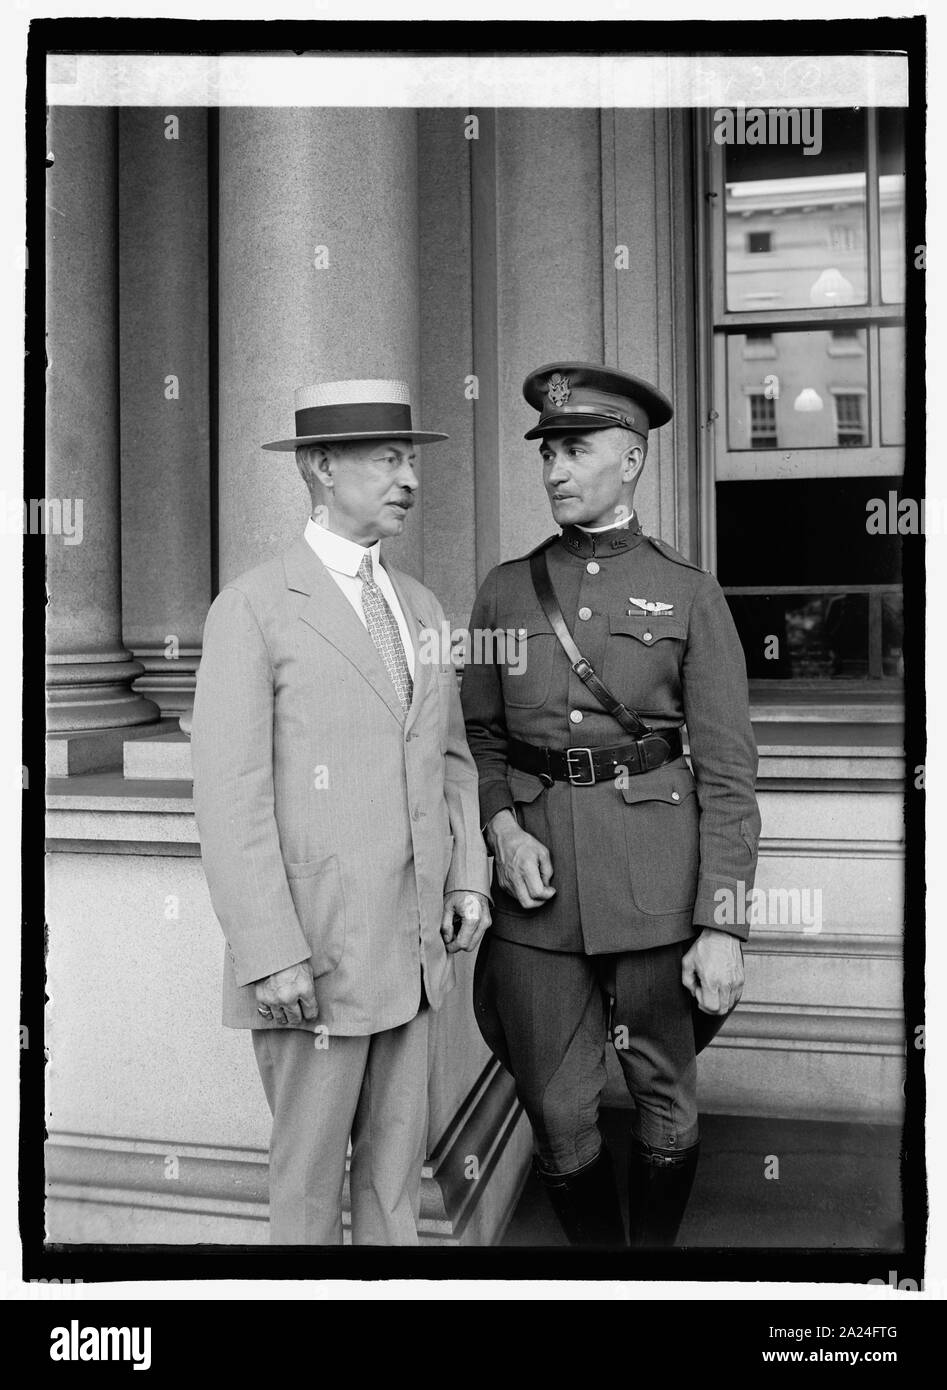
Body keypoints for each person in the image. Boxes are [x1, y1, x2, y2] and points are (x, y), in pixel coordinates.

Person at [461, 362, 761, 1248]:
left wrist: (724, 924)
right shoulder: (504, 591)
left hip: (658, 896)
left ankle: (652, 1274)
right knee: (556, 1106)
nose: (554, 468)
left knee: (664, 1098)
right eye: (547, 450)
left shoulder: (689, 593)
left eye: (575, 449)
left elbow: (730, 773)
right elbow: (476, 740)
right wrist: (500, 825)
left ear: (630, 459)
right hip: (537, 902)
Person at [191, 379, 491, 1245]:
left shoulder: (424, 607)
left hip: (415, 950)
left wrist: (466, 877)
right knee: (309, 1194)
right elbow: (228, 794)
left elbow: (451, 762)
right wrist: (270, 951)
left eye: (411, 460)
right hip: (311, 961)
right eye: (388, 460)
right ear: (322, 468)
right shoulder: (250, 608)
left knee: (398, 1188)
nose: (409, 479)